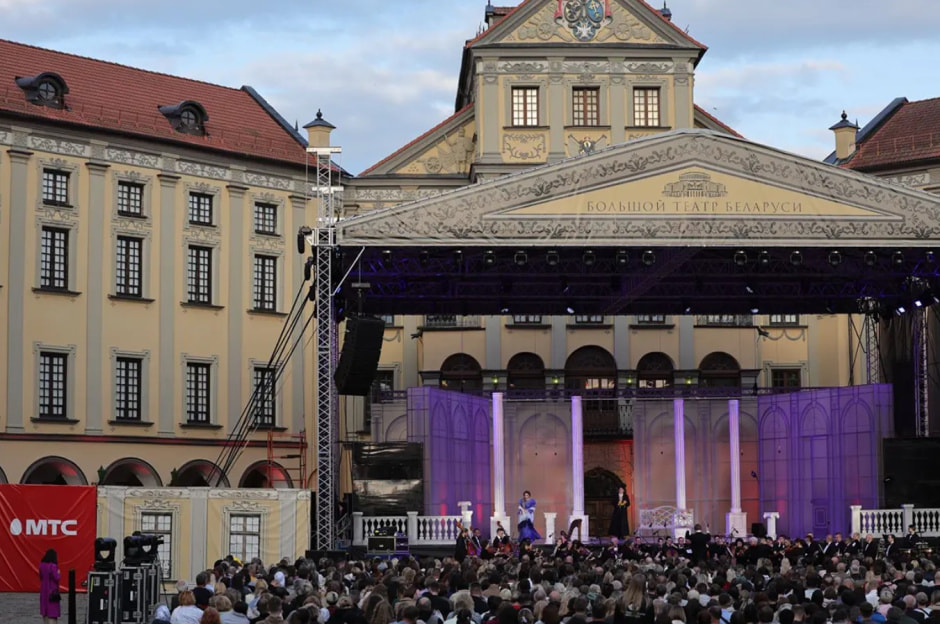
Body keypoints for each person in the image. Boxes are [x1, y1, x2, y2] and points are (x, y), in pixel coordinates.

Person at [39, 548, 61, 624]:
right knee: (52, 613)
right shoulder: (53, 566)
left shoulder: (42, 565)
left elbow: (41, 577)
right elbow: (57, 577)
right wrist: (59, 572)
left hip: (44, 591)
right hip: (52, 591)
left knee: (45, 613)